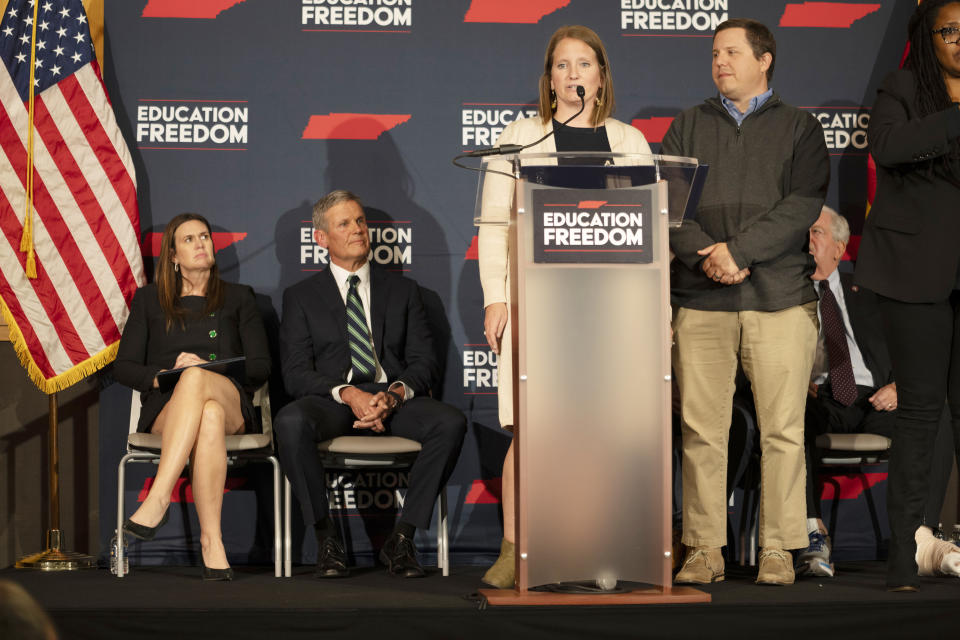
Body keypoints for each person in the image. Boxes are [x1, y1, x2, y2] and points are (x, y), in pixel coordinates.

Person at [477, 24, 652, 589]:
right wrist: (496, 298)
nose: (572, 74)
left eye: (583, 64)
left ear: (601, 77)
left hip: (606, 311)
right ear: (548, 78)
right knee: (532, 430)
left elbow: (650, 226)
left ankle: (589, 547)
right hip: (536, 304)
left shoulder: (630, 141)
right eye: (561, 65)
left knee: (598, 433)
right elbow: (493, 224)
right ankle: (515, 548)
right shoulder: (521, 136)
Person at [662, 18, 829, 586]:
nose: (719, 62)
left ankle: (780, 549)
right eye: (714, 53)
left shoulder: (800, 130)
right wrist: (708, 256)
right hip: (702, 301)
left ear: (765, 60)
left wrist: (737, 252)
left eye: (732, 52)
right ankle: (704, 549)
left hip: (779, 299)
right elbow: (668, 209)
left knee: (783, 431)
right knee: (702, 433)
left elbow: (801, 206)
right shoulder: (687, 127)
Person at [274, 190, 465, 579]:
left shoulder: (406, 292)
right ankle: (327, 539)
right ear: (321, 238)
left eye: (360, 221)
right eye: (344, 223)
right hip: (334, 402)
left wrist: (392, 396)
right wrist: (350, 394)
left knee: (450, 422)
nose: (358, 230)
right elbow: (295, 373)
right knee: (291, 422)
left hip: (393, 400)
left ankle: (403, 538)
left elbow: (424, 363)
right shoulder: (301, 298)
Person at [854, 0, 960, 591]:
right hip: (913, 273)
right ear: (929, 36)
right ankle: (903, 555)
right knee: (920, 414)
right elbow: (888, 148)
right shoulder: (900, 87)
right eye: (951, 30)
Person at [801, 206, 960, 580]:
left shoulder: (869, 291)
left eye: (816, 232)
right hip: (818, 397)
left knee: (932, 415)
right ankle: (810, 532)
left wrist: (900, 387)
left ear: (840, 248)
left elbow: (910, 344)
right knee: (787, 418)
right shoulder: (788, 291)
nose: (807, 241)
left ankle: (922, 533)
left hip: (874, 395)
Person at [114, 213, 271, 580]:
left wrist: (204, 369)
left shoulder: (239, 298)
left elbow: (261, 367)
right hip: (167, 408)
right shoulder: (150, 301)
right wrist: (166, 377)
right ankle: (211, 542)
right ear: (172, 256)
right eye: (189, 239)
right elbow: (124, 368)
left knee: (201, 381)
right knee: (208, 414)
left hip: (232, 399)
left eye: (204, 236)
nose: (201, 244)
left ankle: (158, 498)